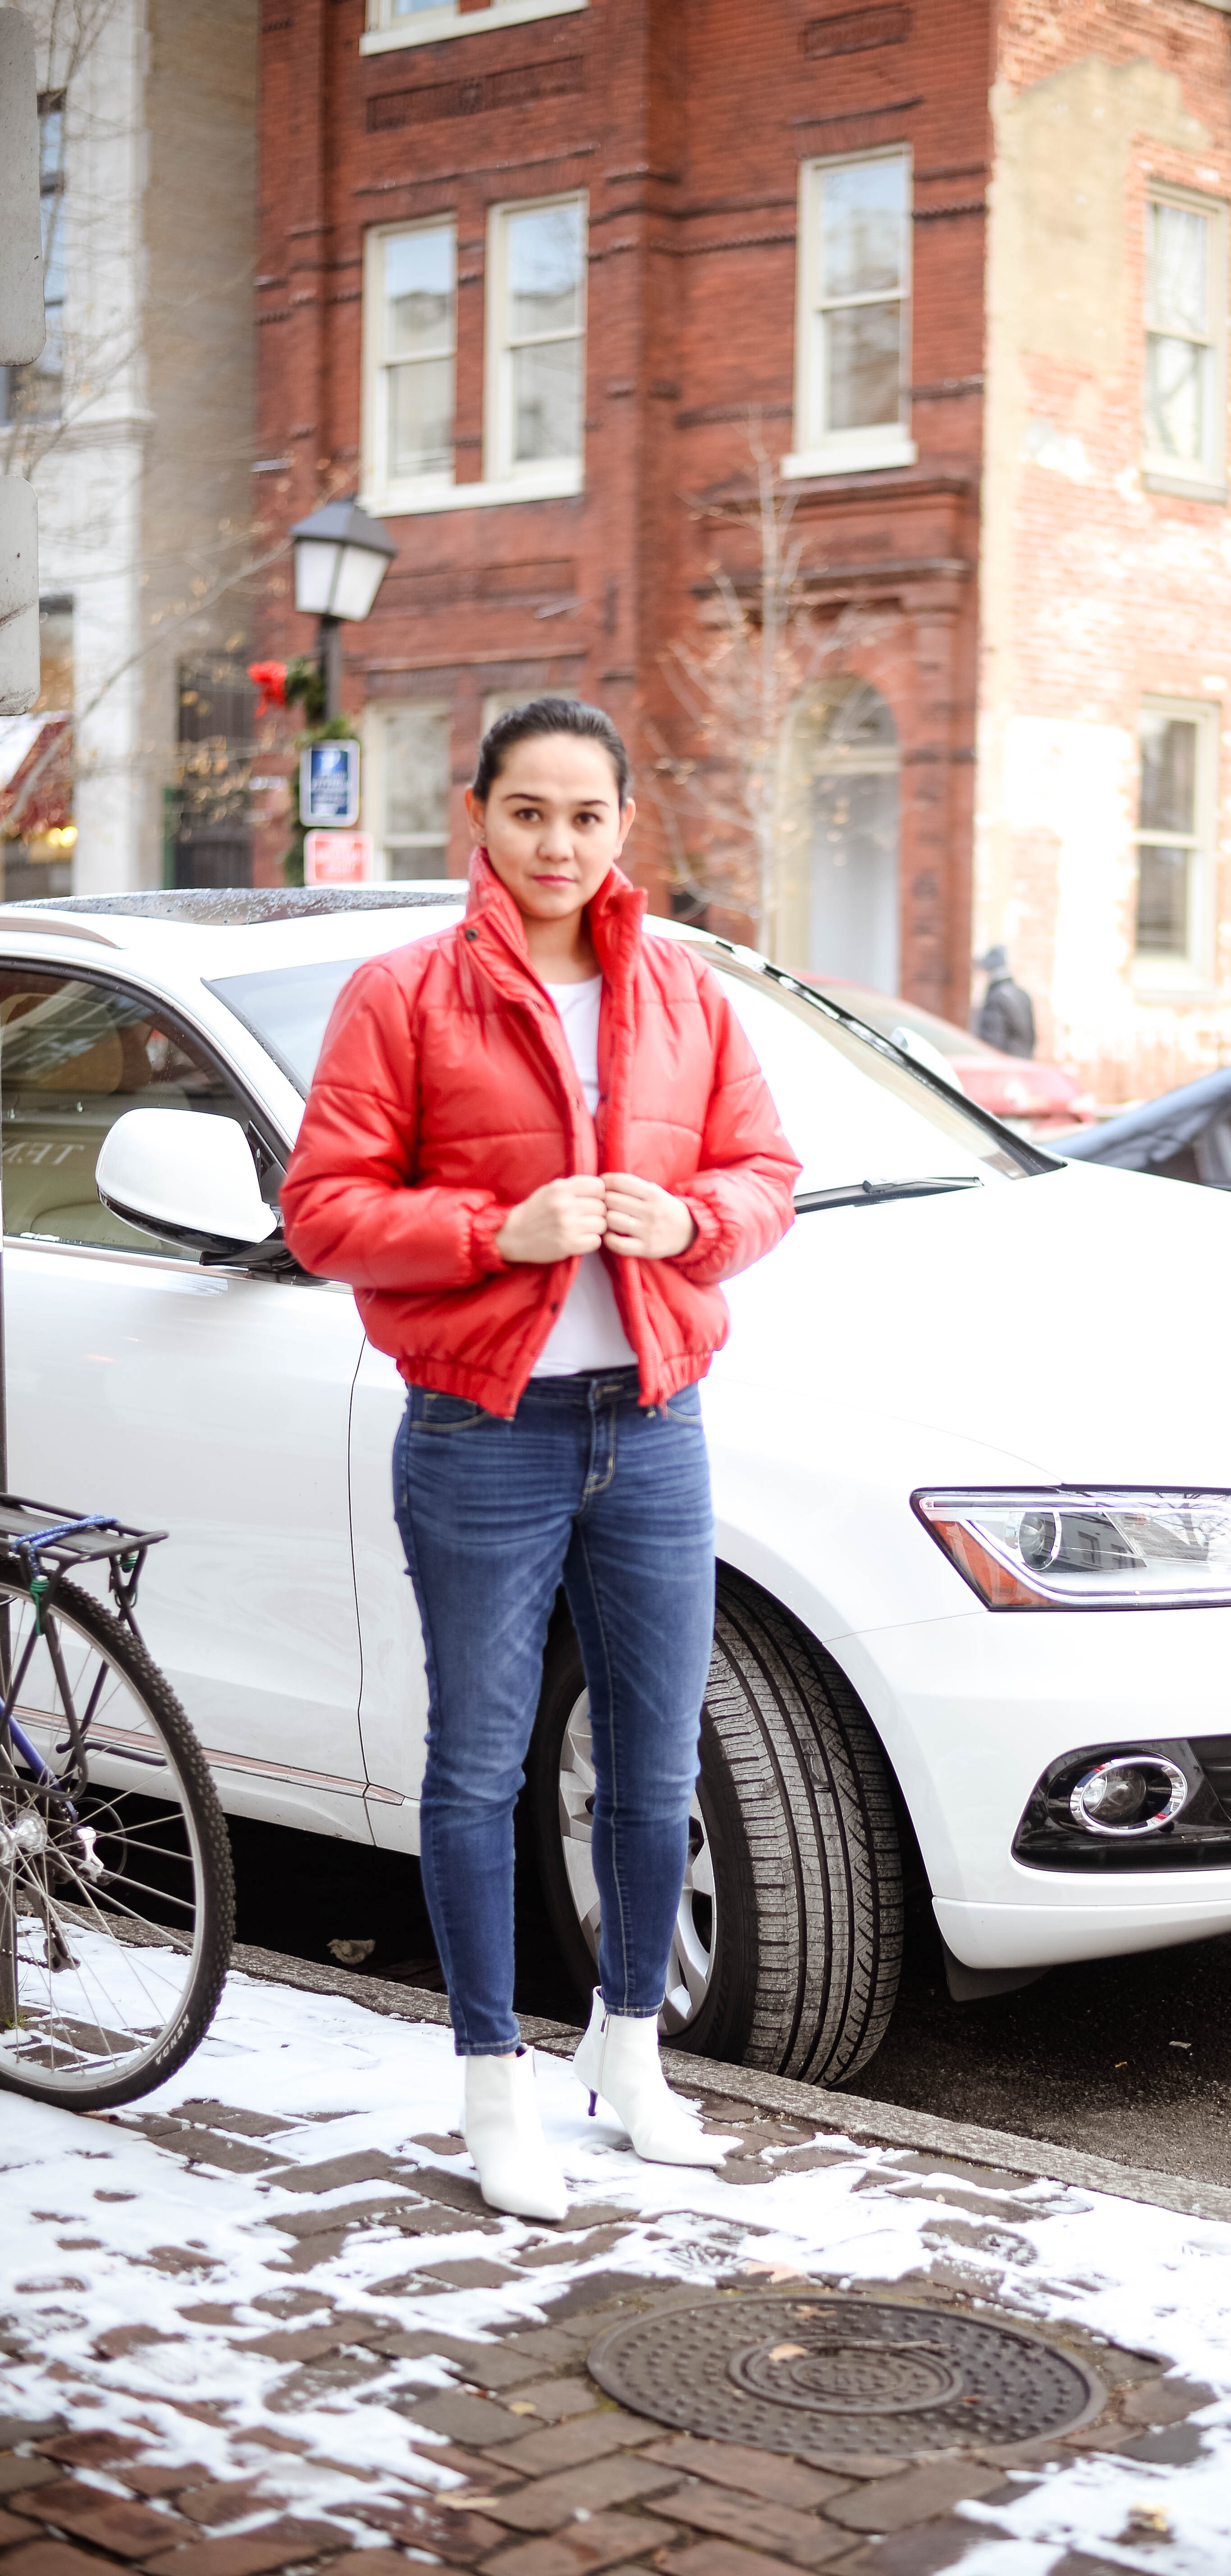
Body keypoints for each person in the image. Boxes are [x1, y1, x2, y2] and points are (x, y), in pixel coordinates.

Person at [280, 698, 799, 2219]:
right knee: (479, 1763)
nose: (558, 843)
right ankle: (492, 2083)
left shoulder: (686, 994)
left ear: (623, 827)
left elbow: (767, 1174)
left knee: (652, 1763)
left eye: (585, 816)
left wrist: (693, 1222)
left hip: (652, 1422)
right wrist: (487, 1232)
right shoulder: (404, 995)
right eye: (529, 813)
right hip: (479, 1433)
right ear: (482, 822)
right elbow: (325, 1210)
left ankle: (629, 2053)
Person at [970, 945, 1036, 1059]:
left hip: (1003, 1066)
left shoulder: (996, 997)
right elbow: (1031, 1037)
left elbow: (992, 1042)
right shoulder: (1022, 993)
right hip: (1022, 1062)